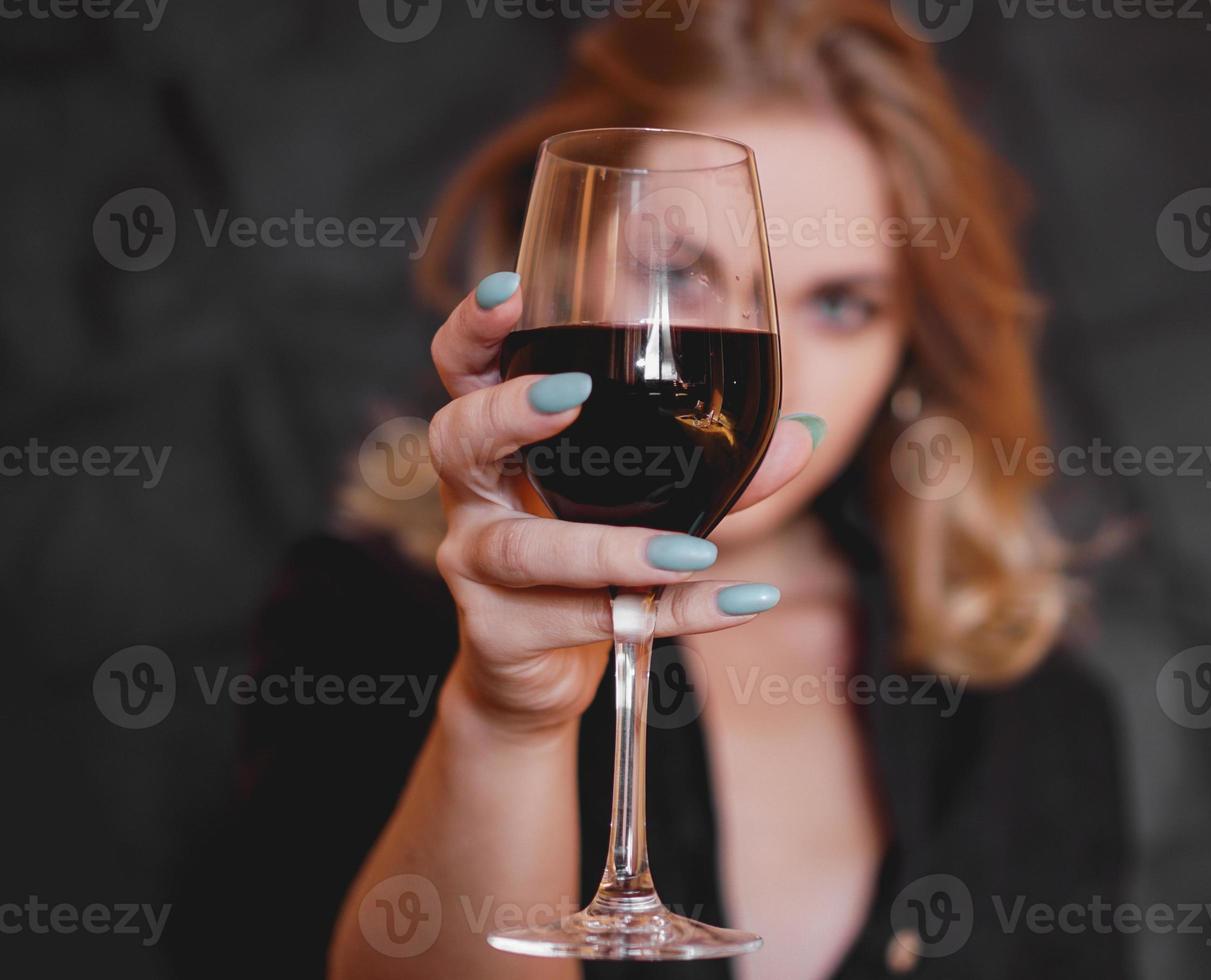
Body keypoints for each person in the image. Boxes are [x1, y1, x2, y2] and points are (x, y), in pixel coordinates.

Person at [228, 3, 1126, 978]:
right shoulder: (372, 625)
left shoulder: (1019, 698)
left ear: (910, 346)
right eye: (679, 271)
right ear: (555, 270)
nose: (774, 365)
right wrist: (503, 721)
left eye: (838, 303)